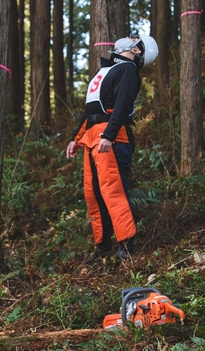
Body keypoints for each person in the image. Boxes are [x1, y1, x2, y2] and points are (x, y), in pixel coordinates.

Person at [66, 34, 158, 263]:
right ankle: (103, 247)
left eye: (135, 39)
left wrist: (109, 133)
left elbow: (123, 106)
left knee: (113, 192)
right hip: (93, 138)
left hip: (112, 139)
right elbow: (91, 110)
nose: (130, 37)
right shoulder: (106, 69)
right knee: (94, 194)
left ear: (137, 51)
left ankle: (126, 247)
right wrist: (75, 139)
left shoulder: (127, 70)